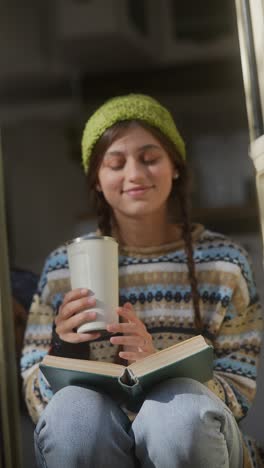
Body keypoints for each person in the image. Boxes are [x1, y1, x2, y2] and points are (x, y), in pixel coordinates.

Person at [21, 94, 263, 468]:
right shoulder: (62, 270)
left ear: (176, 167)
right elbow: (38, 403)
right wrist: (65, 347)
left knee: (177, 413)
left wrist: (158, 369)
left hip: (197, 441)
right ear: (97, 181)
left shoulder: (224, 263)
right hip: (98, 441)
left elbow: (239, 390)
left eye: (150, 159)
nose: (134, 174)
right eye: (115, 164)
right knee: (73, 414)